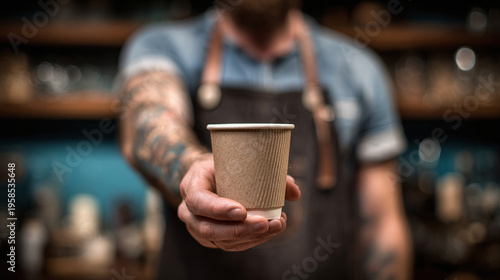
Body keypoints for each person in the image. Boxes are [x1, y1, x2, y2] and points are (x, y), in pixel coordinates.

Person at [117, 1, 412, 279]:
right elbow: (149, 125)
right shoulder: (164, 46)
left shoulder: (357, 67)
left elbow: (381, 225)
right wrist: (189, 168)